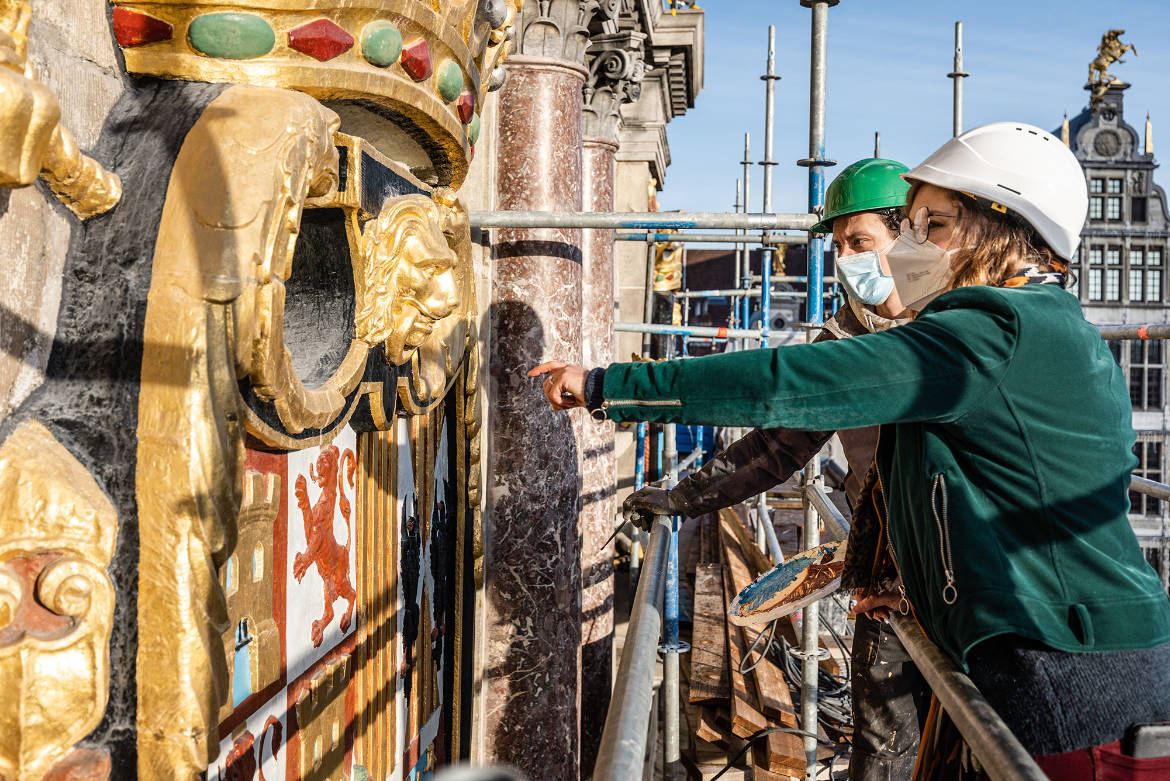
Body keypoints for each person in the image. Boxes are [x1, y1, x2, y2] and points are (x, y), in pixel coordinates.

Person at [531, 122, 1170, 775]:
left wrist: (610, 385)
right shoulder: (1039, 328)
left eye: (933, 226)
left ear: (992, 227)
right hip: (1048, 647)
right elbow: (962, 479)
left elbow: (788, 384)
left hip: (1067, 667)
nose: (912, 248)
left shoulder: (992, 329)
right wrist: (896, 573)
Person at [614, 157, 930, 780]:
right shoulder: (843, 340)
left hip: (952, 583)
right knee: (886, 753)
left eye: (860, 242)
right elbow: (776, 447)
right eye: (840, 245)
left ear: (909, 236)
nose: (847, 259)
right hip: (887, 582)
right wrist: (682, 497)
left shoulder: (950, 331)